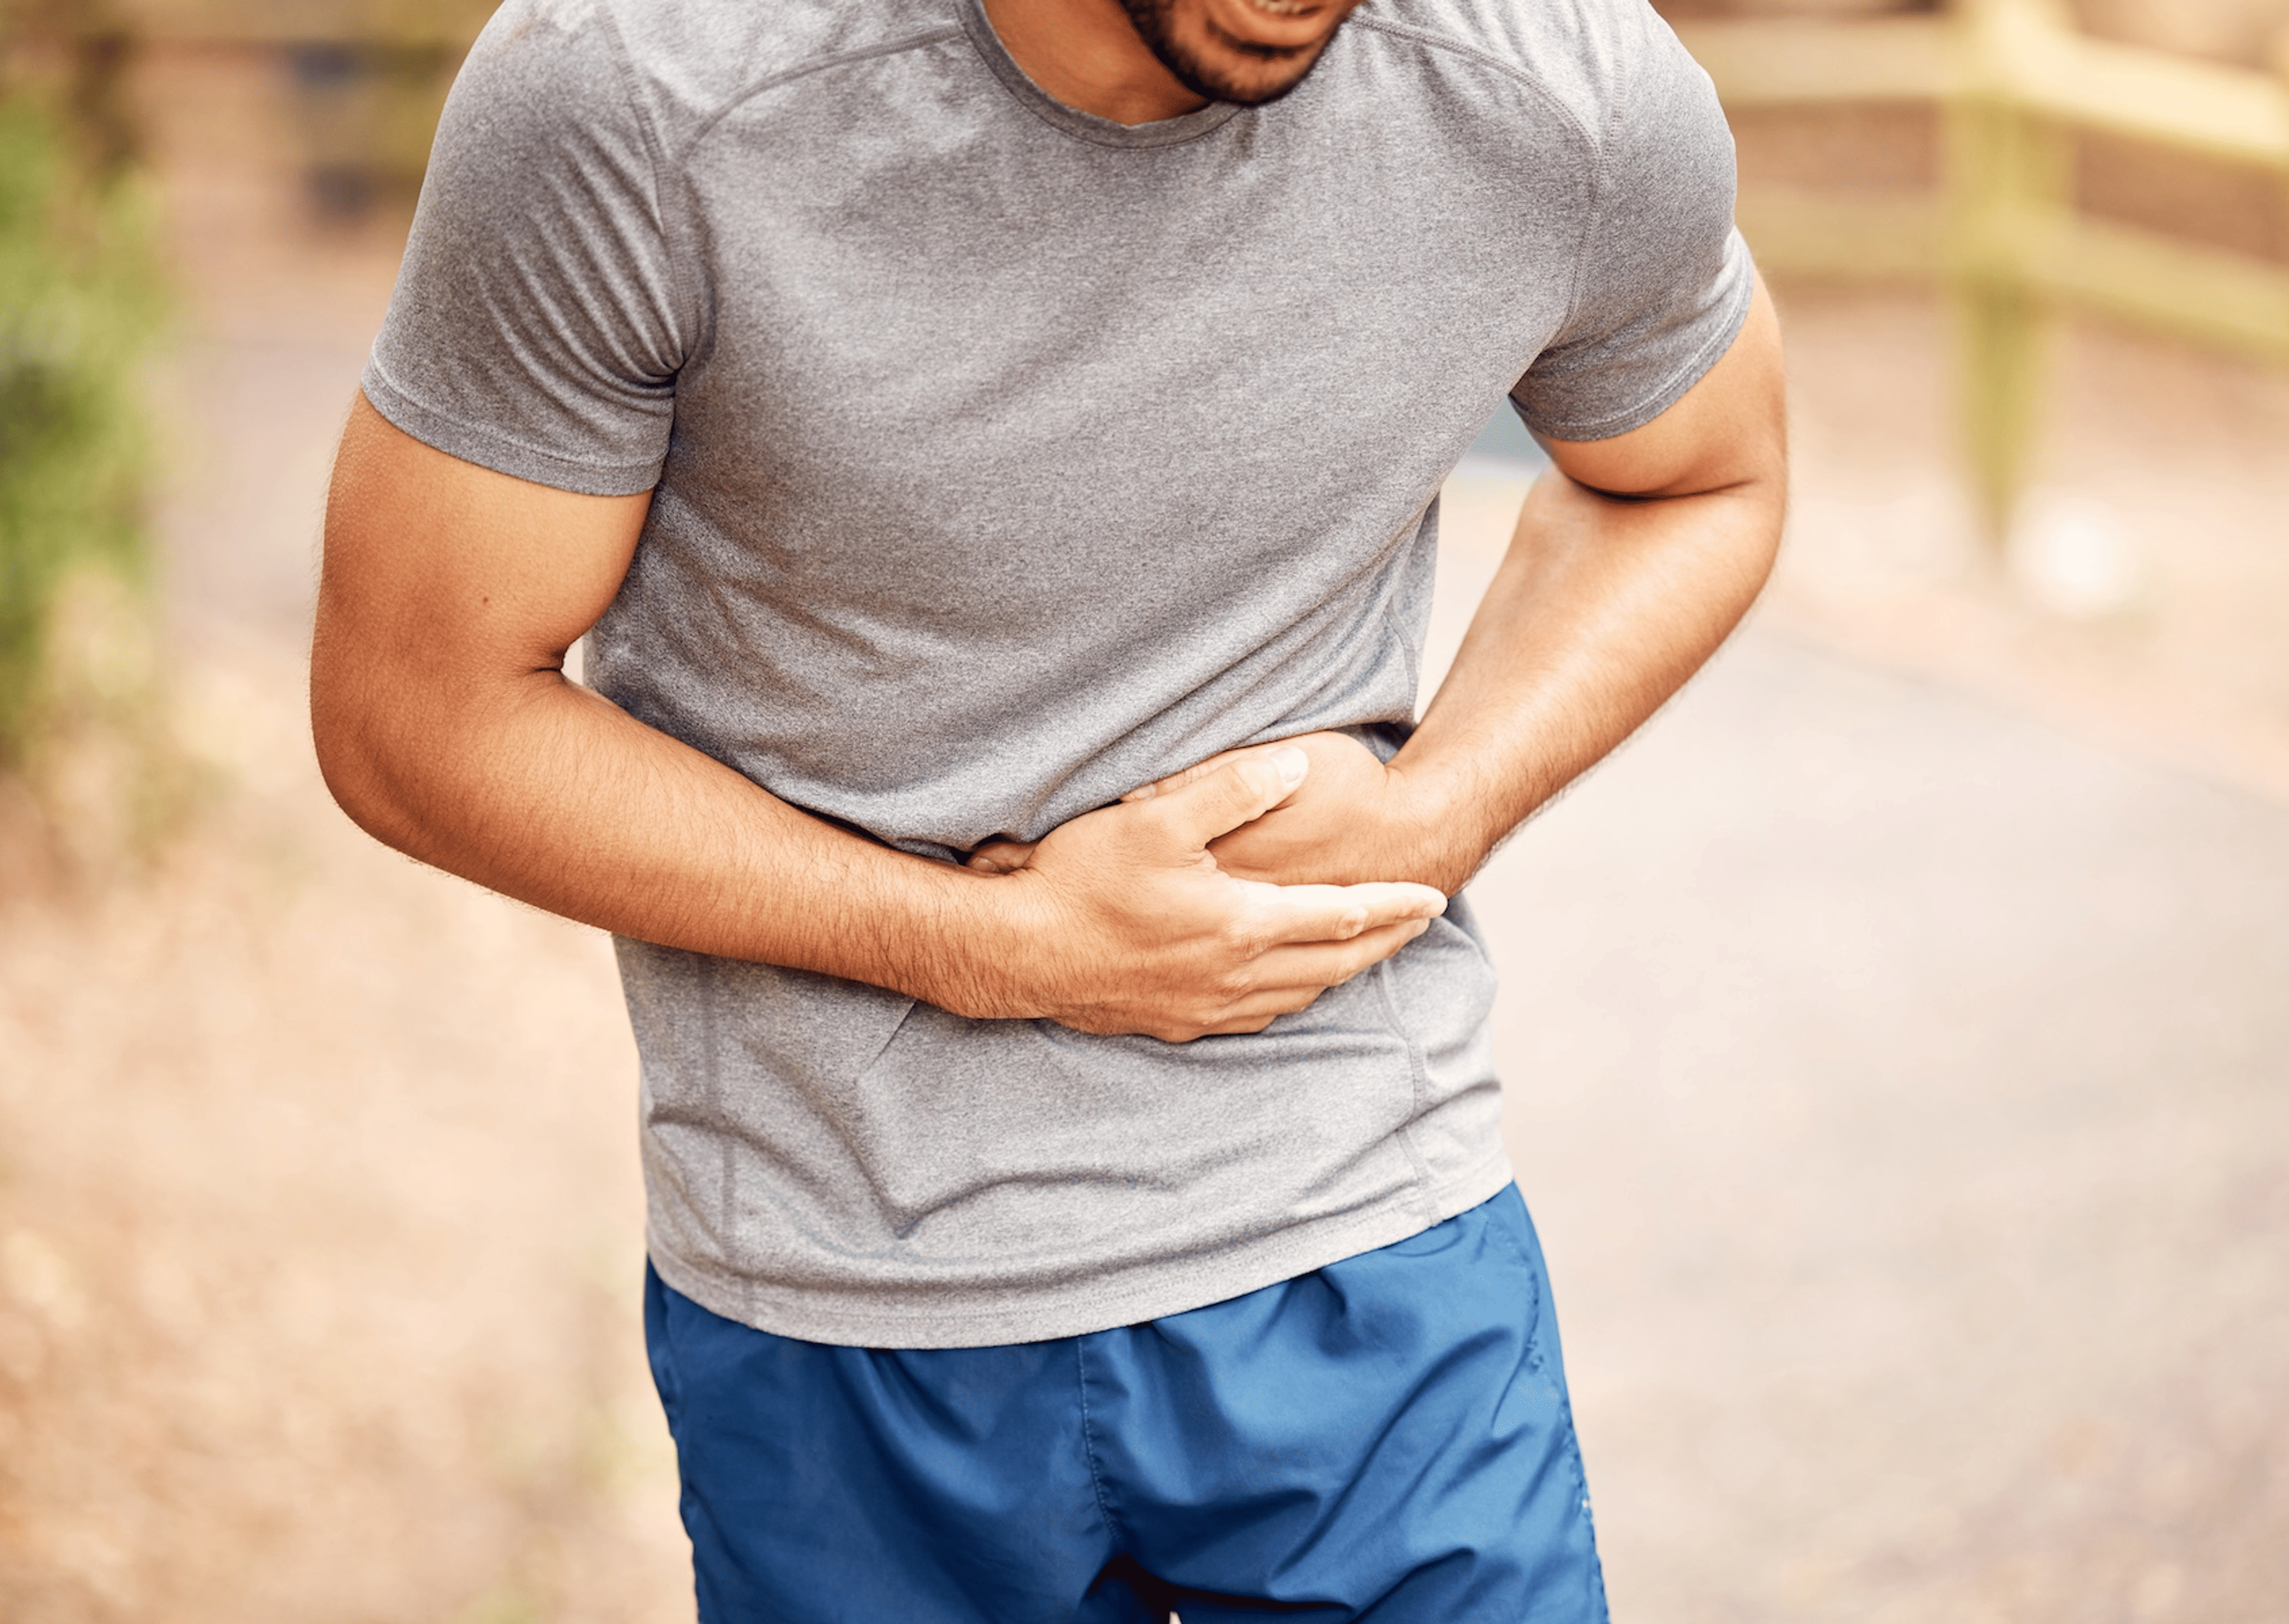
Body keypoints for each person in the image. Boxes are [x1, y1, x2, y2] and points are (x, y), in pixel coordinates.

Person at [310, 0, 1785, 1614]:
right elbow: (415, 714)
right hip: (849, 1312)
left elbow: (1705, 474)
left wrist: (1441, 805)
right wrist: (986, 942)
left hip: (1367, 1249)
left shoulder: (1559, 84)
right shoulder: (637, 90)